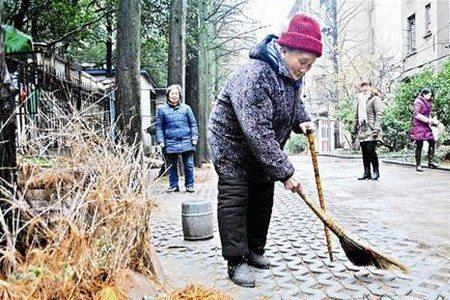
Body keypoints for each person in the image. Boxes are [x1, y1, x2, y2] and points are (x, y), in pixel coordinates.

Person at [207, 13, 320, 287]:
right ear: (284, 50)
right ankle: (236, 260)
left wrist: (302, 120)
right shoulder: (256, 74)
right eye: (302, 62)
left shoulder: (292, 75)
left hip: (260, 148)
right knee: (236, 197)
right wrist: (285, 172)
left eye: (310, 64)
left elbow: (291, 104)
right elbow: (257, 131)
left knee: (262, 197)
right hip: (232, 145)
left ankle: (255, 251)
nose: (305, 68)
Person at [156, 84, 198, 192]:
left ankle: (190, 185)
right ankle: (173, 185)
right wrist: (160, 140)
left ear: (179, 95)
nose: (174, 95)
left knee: (188, 165)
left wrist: (194, 138)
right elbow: (159, 126)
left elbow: (193, 124)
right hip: (170, 142)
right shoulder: (162, 110)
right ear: (168, 95)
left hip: (186, 141)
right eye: (172, 93)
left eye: (176, 93)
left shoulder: (187, 108)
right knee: (171, 166)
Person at [353, 82, 383, 181]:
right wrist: (354, 128)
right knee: (364, 151)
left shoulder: (375, 98)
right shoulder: (360, 99)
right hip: (362, 128)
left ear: (370, 87)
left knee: (371, 150)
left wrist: (376, 128)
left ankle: (376, 172)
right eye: (362, 86)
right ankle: (367, 173)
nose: (364, 88)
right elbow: (356, 115)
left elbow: (379, 114)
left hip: (372, 128)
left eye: (366, 86)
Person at [410, 88, 440, 171]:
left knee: (432, 141)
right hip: (418, 125)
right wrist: (429, 120)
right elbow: (416, 114)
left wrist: (433, 121)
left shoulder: (427, 102)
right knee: (419, 145)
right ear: (424, 94)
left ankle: (430, 162)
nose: (430, 97)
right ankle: (418, 165)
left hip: (425, 125)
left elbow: (427, 114)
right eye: (429, 95)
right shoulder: (418, 102)